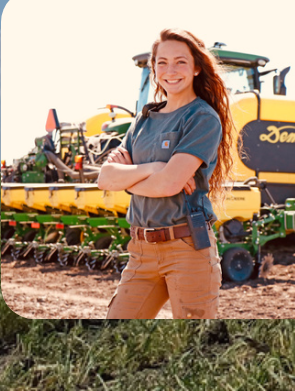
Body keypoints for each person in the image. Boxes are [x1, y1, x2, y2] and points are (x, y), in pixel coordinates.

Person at [95, 28, 235, 319]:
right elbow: (105, 178)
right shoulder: (143, 120)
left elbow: (168, 184)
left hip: (187, 250)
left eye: (180, 62)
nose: (170, 70)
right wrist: (153, 169)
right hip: (141, 252)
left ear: (196, 68)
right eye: (162, 62)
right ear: (154, 68)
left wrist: (129, 178)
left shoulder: (201, 118)